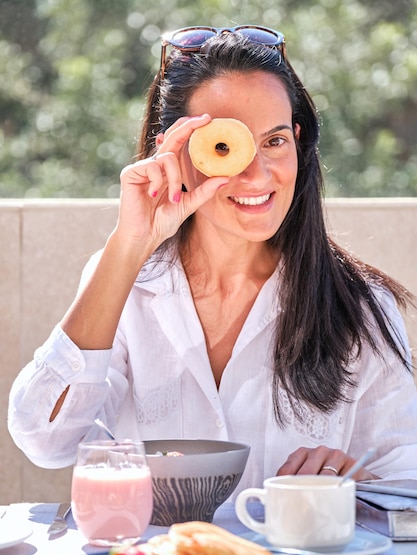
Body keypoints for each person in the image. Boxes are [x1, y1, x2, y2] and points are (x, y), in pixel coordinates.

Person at [8, 25, 417, 494]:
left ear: (298, 141)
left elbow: (407, 483)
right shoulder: (126, 282)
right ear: (174, 151)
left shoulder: (361, 305)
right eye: (226, 148)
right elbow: (45, 440)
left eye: (275, 141)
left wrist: (355, 480)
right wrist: (129, 244)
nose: (257, 173)